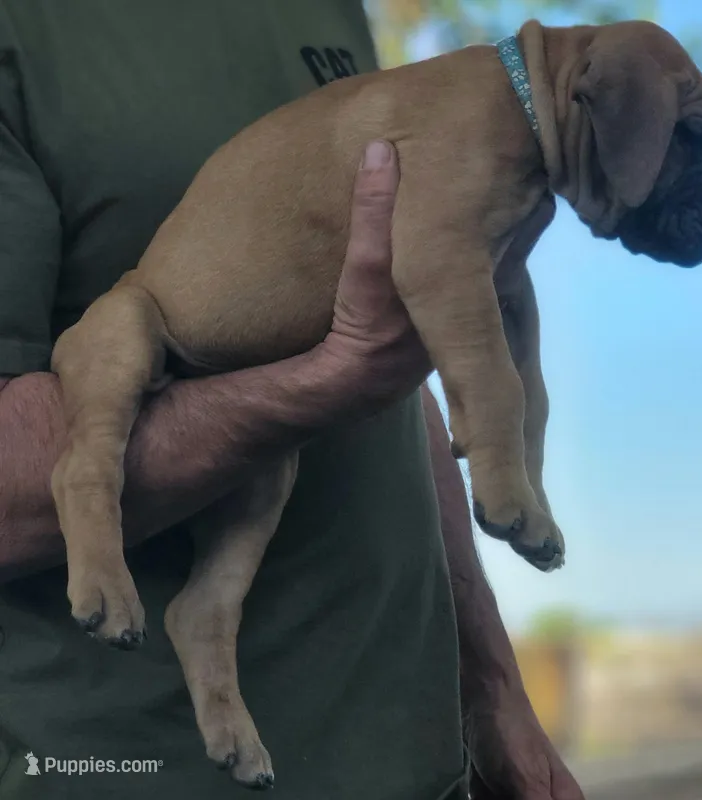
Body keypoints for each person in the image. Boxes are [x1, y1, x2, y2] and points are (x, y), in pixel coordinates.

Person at [0, 2, 585, 799]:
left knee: (259, 497)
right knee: (118, 350)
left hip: (416, 760)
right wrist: (313, 384)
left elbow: (396, 352)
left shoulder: (329, 9)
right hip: (128, 775)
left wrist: (489, 684)